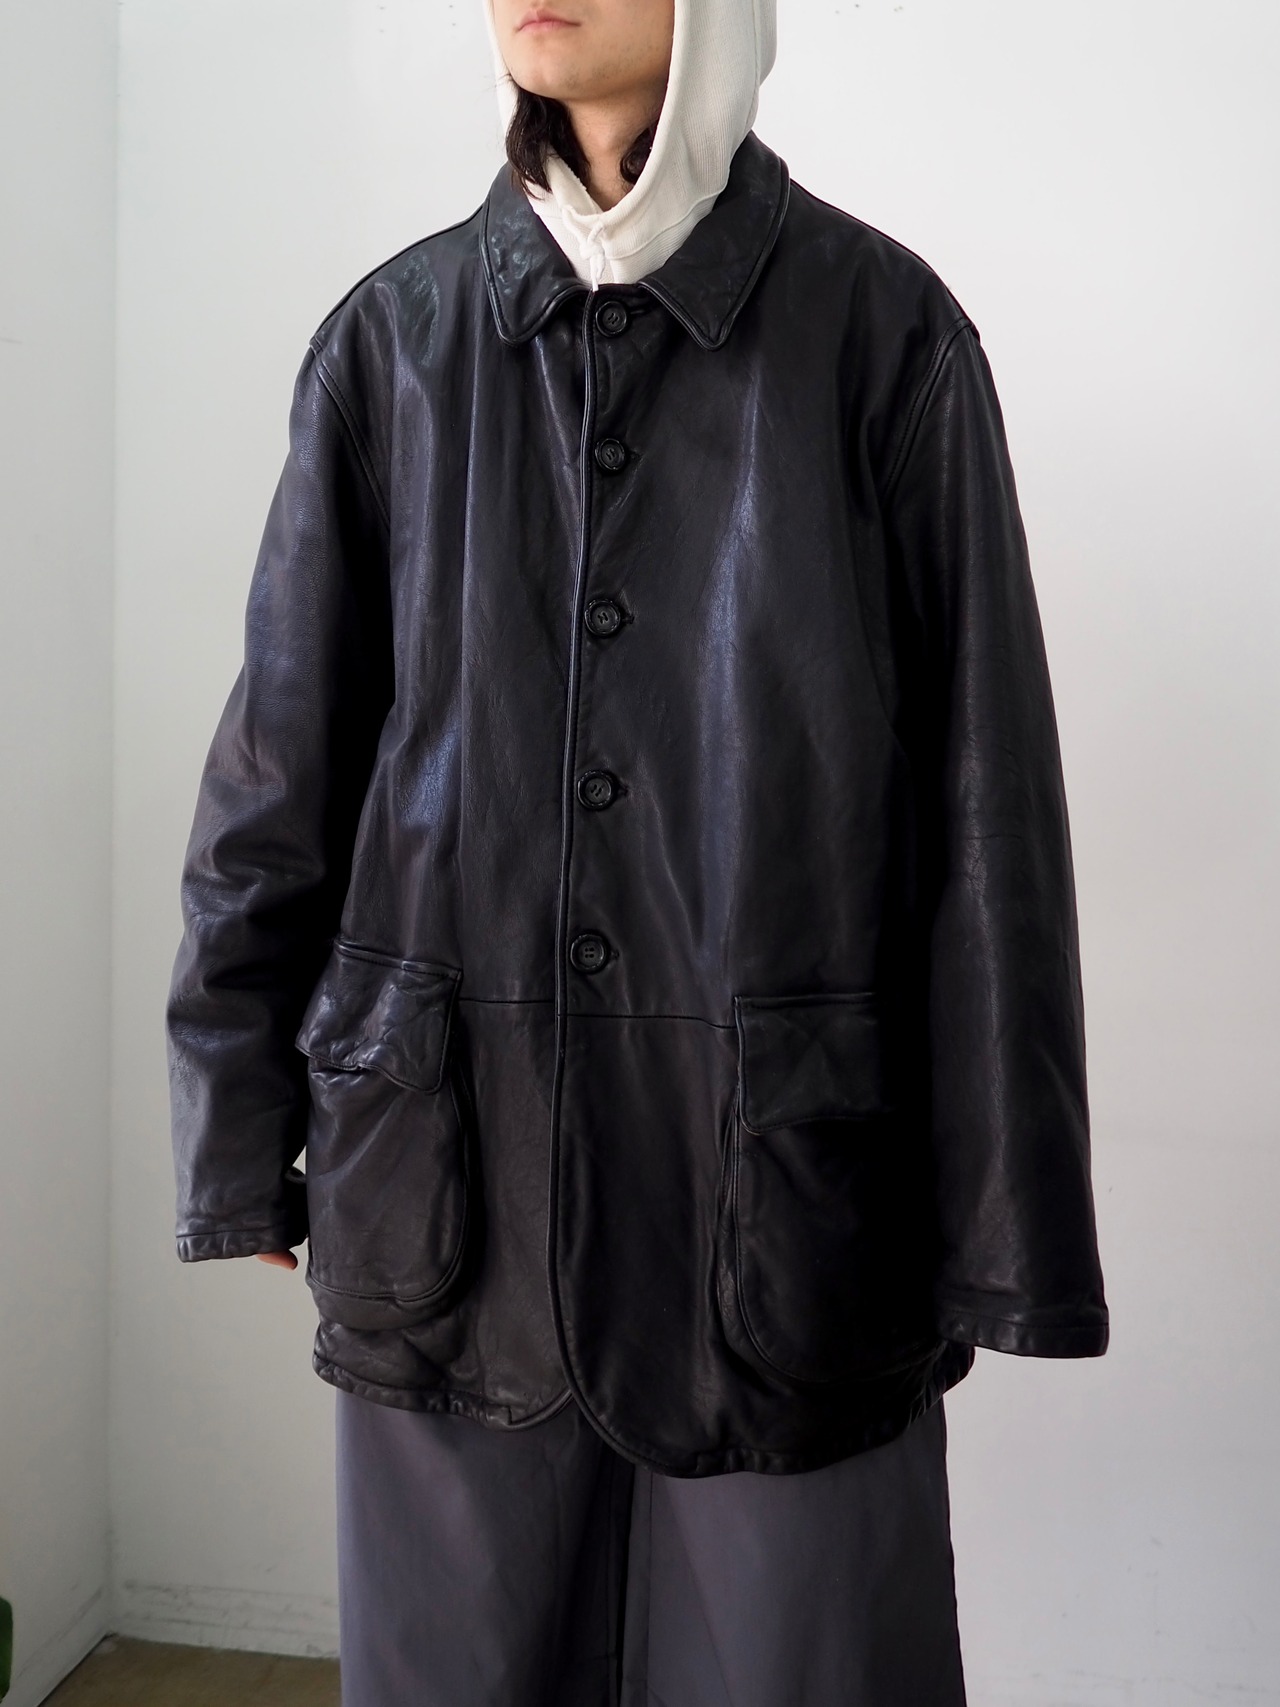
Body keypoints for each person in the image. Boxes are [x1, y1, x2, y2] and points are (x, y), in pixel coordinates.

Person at [166, 0, 1110, 1701]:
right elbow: (278, 771)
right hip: (447, 1187)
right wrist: (236, 1119)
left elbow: (990, 820)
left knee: (802, 1668)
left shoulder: (883, 337)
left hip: (789, 1211)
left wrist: (1004, 1222)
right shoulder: (393, 346)